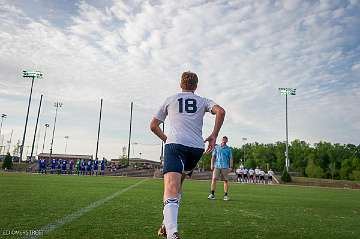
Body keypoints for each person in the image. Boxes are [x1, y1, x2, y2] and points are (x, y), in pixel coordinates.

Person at [150, 71, 225, 239]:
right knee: (178, 185)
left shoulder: (170, 99)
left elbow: (153, 126)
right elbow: (220, 111)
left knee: (171, 187)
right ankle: (165, 224)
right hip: (196, 148)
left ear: (180, 84)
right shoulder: (203, 101)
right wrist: (214, 135)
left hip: (175, 145)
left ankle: (171, 234)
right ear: (196, 86)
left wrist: (167, 139)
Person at [208, 136, 233, 200]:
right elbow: (213, 157)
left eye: (225, 139)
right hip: (217, 166)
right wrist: (212, 165)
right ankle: (212, 194)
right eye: (223, 139)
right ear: (221, 140)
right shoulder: (217, 147)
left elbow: (231, 158)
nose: (224, 140)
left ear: (227, 141)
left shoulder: (229, 149)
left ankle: (225, 195)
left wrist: (231, 167)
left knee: (225, 181)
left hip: (225, 166)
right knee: (214, 179)